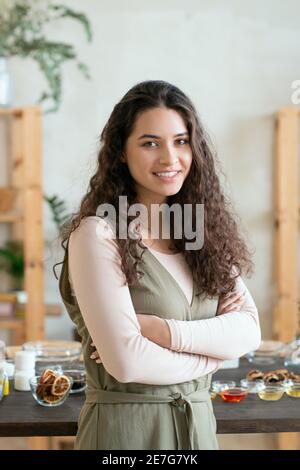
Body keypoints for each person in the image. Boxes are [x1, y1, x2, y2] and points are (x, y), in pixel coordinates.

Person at [57, 80, 261, 450]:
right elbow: (127, 364)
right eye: (151, 143)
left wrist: (163, 333)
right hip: (127, 434)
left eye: (181, 141)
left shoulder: (199, 234)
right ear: (121, 151)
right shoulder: (97, 234)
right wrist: (213, 358)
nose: (170, 158)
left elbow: (248, 331)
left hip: (198, 429)